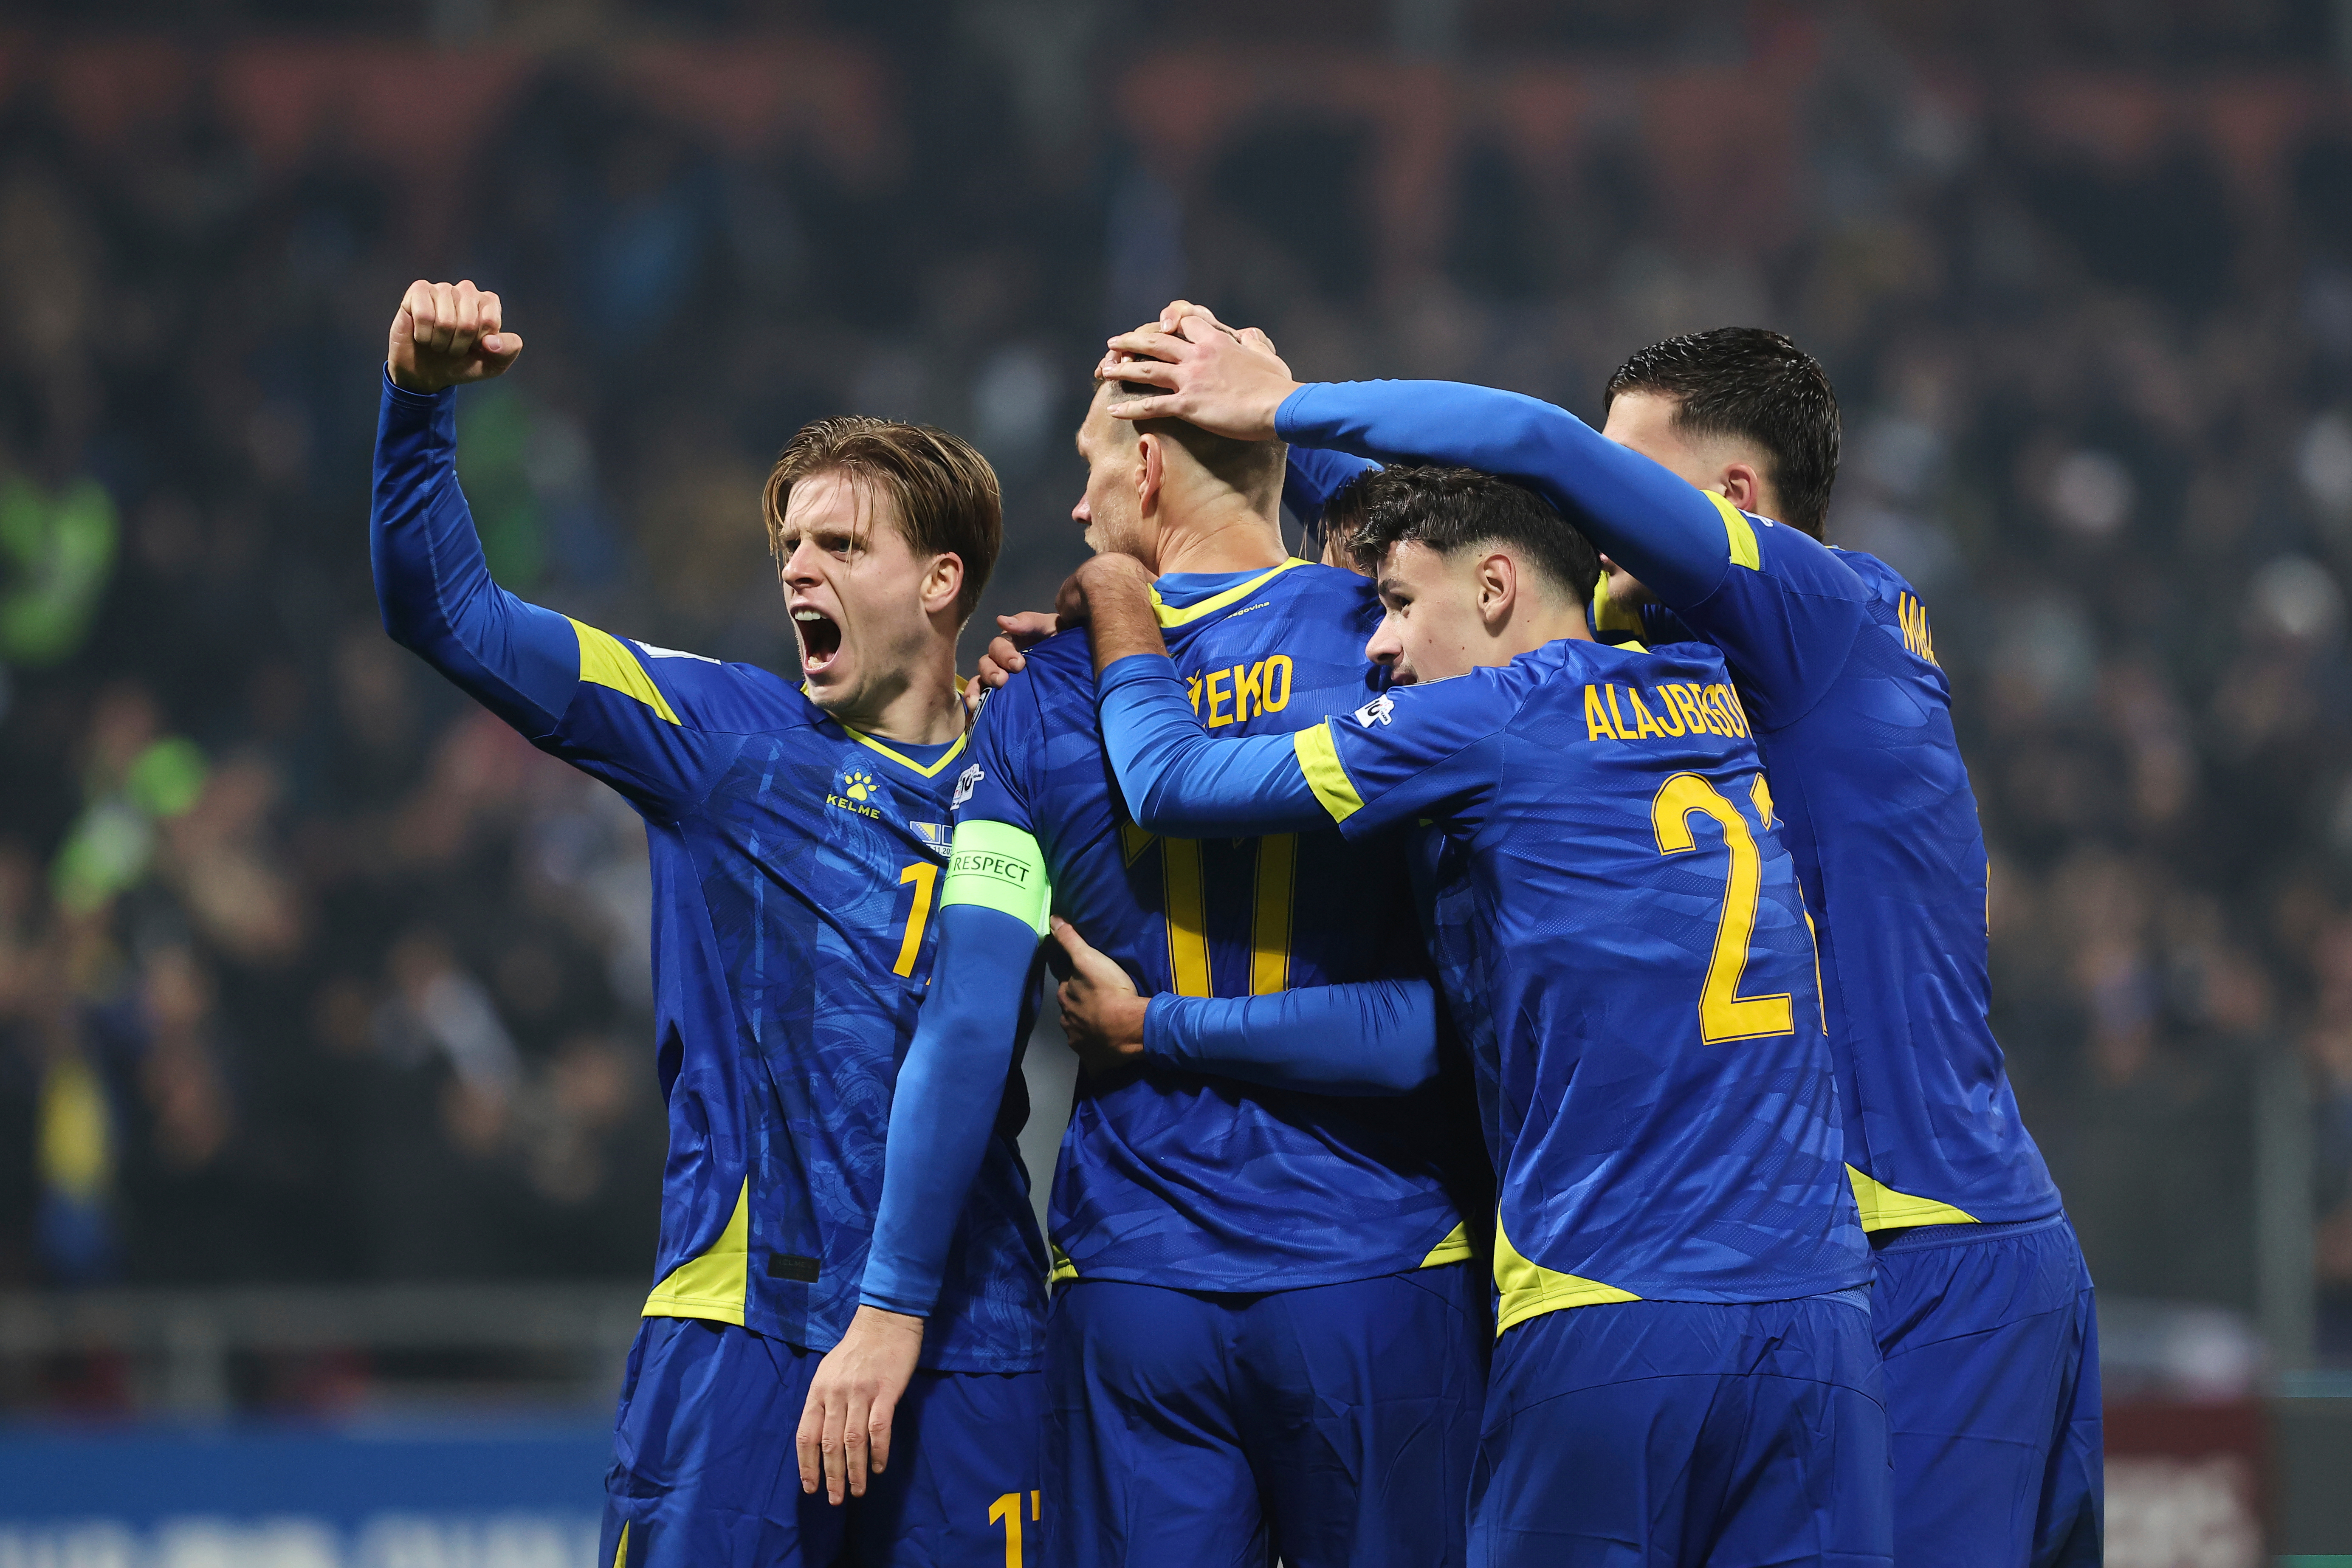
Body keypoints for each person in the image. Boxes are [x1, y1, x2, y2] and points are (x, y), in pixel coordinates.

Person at [1108, 307, 2101, 1567]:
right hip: (1836, 1266)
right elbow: (1476, 551)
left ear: (1729, 502)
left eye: (1623, 480)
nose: (1589, 512)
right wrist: (1254, 485)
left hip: (1920, 1240)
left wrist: (1278, 409)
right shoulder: (1687, 670)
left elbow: (1532, 460)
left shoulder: (1812, 611)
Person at [1068, 461, 1889, 1568]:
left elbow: (1170, 780)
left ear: (1495, 588)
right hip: (1822, 1316)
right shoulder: (1708, 676)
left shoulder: (1480, 721)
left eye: (1400, 603)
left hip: (1609, 1298)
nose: (1378, 644)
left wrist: (1120, 592)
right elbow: (1488, 503)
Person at [369, 279, 1043, 1568]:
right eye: (789, 544)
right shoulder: (720, 736)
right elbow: (446, 612)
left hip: (979, 1340)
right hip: (745, 1333)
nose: (797, 567)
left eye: (841, 545)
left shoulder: (1036, 758)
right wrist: (416, 404)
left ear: (942, 580)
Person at [806, 359, 1491, 1568]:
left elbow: (967, 1021)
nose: (1078, 507)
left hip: (1136, 1291)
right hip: (1374, 1271)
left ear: (1149, 466)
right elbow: (1455, 1013)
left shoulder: (1035, 701)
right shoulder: (1390, 647)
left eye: (1090, 466)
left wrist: (893, 1303)